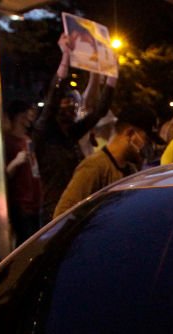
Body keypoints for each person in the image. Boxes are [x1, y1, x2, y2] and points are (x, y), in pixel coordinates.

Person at [33, 33, 116, 222]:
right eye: (66, 102)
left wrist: (112, 74)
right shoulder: (43, 130)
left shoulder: (70, 134)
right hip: (53, 214)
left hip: (73, 207)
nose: (71, 107)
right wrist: (66, 57)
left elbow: (99, 112)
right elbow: (53, 97)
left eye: (73, 103)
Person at [54, 105, 159, 216]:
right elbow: (63, 214)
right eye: (146, 140)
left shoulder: (130, 170)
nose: (148, 147)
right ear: (130, 133)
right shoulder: (95, 166)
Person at [3, 100, 41, 245]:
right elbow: (3, 176)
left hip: (35, 202)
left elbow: (34, 170)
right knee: (26, 245)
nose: (31, 118)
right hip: (20, 204)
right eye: (28, 114)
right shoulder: (7, 141)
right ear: (20, 116)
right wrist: (16, 162)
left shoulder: (27, 140)